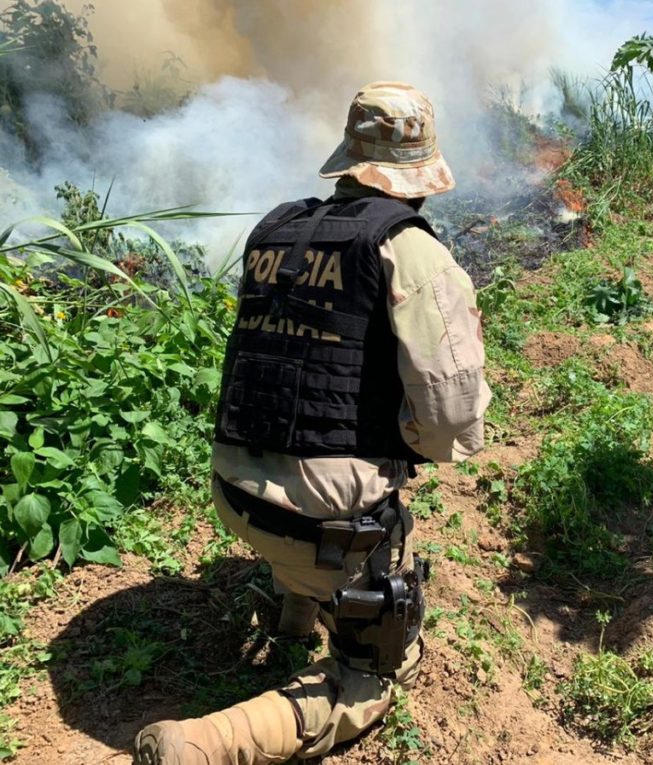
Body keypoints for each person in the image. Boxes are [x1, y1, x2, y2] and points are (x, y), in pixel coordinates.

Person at [132, 81, 491, 765]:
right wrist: (399, 446)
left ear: (351, 162)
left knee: (312, 479)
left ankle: (296, 607)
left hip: (233, 493)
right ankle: (205, 744)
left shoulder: (277, 230)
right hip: (320, 521)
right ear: (420, 177)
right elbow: (451, 418)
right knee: (379, 671)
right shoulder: (410, 250)